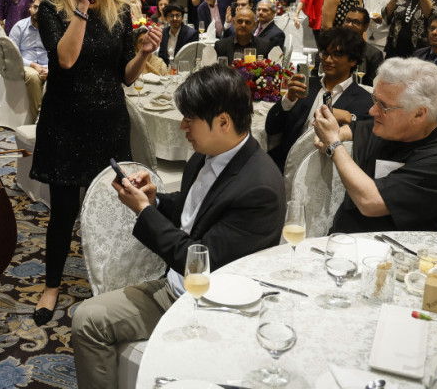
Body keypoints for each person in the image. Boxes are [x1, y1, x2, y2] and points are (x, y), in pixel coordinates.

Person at [71, 64, 285, 389]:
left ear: (224, 122)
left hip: (207, 303)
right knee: (86, 316)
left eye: (191, 118)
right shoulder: (207, 153)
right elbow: (194, 208)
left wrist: (144, 212)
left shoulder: (259, 189)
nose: (183, 125)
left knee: (88, 321)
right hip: (175, 282)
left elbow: (198, 265)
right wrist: (155, 200)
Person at [29, 0, 162, 326]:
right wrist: (83, 8)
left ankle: (114, 278)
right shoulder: (51, 8)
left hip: (108, 121)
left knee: (114, 205)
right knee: (63, 211)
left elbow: (123, 76)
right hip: (65, 122)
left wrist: (142, 54)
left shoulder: (119, 11)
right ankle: (52, 286)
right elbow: (66, 60)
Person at [314, 58, 437, 233]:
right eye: (375, 100)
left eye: (384, 106)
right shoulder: (387, 129)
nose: (373, 111)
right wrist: (338, 133)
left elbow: (370, 202)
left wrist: (334, 145)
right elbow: (356, 129)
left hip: (401, 253)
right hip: (345, 241)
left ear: (419, 114)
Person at [266, 27, 373, 172]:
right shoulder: (306, 86)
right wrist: (288, 100)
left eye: (336, 55)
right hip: (285, 165)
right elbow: (271, 128)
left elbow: (368, 139)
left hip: (327, 171)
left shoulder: (363, 99)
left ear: (353, 60)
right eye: (325, 54)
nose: (328, 60)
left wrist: (350, 118)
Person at [10, 0, 49, 121]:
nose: (38, 11)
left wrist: (49, 68)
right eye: (36, 7)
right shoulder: (20, 27)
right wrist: (33, 65)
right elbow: (12, 55)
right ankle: (38, 116)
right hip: (25, 65)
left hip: (47, 65)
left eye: (42, 8)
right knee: (33, 76)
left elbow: (58, 52)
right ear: (30, 8)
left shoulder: (51, 29)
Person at [342, 7, 383, 86]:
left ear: (365, 26)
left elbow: (373, 85)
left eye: (356, 22)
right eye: (348, 20)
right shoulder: (333, 47)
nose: (350, 25)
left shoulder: (374, 54)